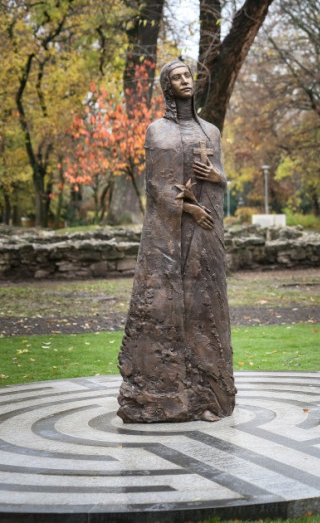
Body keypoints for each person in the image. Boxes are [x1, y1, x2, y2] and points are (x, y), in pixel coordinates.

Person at [117, 60, 237, 423]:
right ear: (167, 87)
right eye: (177, 77)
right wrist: (189, 209)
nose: (185, 81)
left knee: (205, 310)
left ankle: (209, 398)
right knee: (165, 309)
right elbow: (157, 187)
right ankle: (163, 397)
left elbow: (221, 179)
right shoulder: (157, 132)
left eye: (188, 75)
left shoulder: (211, 131)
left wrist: (216, 177)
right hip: (167, 241)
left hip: (205, 237)